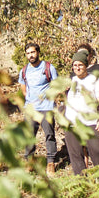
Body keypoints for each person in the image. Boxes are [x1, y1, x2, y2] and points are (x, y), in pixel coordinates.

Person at [64, 49, 99, 175]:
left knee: (98, 152)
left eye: (80, 65)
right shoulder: (72, 81)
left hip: (90, 123)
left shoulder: (95, 80)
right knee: (76, 157)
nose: (77, 68)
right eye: (75, 65)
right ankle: (81, 184)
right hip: (72, 124)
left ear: (85, 66)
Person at [18, 43, 59, 174]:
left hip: (46, 108)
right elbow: (23, 89)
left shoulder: (48, 67)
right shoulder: (24, 70)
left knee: (49, 135)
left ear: (38, 52)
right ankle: (29, 161)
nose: (31, 55)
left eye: (33, 52)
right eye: (28, 53)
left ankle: (51, 162)